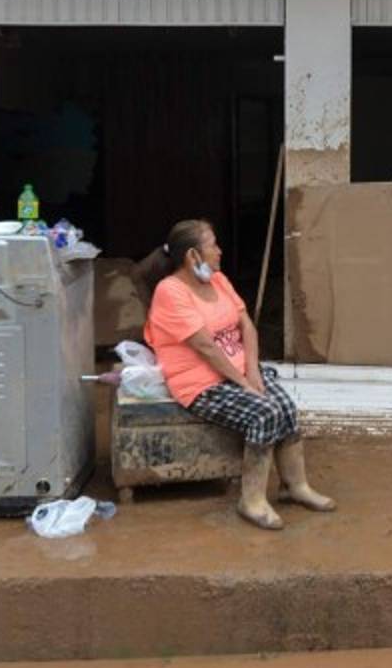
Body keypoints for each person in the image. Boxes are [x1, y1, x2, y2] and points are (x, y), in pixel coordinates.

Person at [141, 219, 336, 530]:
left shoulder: (216, 281)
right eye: (213, 245)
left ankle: (295, 487)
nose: (219, 252)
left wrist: (253, 371)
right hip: (200, 383)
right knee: (264, 414)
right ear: (193, 256)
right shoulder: (170, 292)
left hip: (238, 371)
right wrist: (243, 382)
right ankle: (252, 500)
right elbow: (205, 347)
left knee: (286, 408)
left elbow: (246, 325)